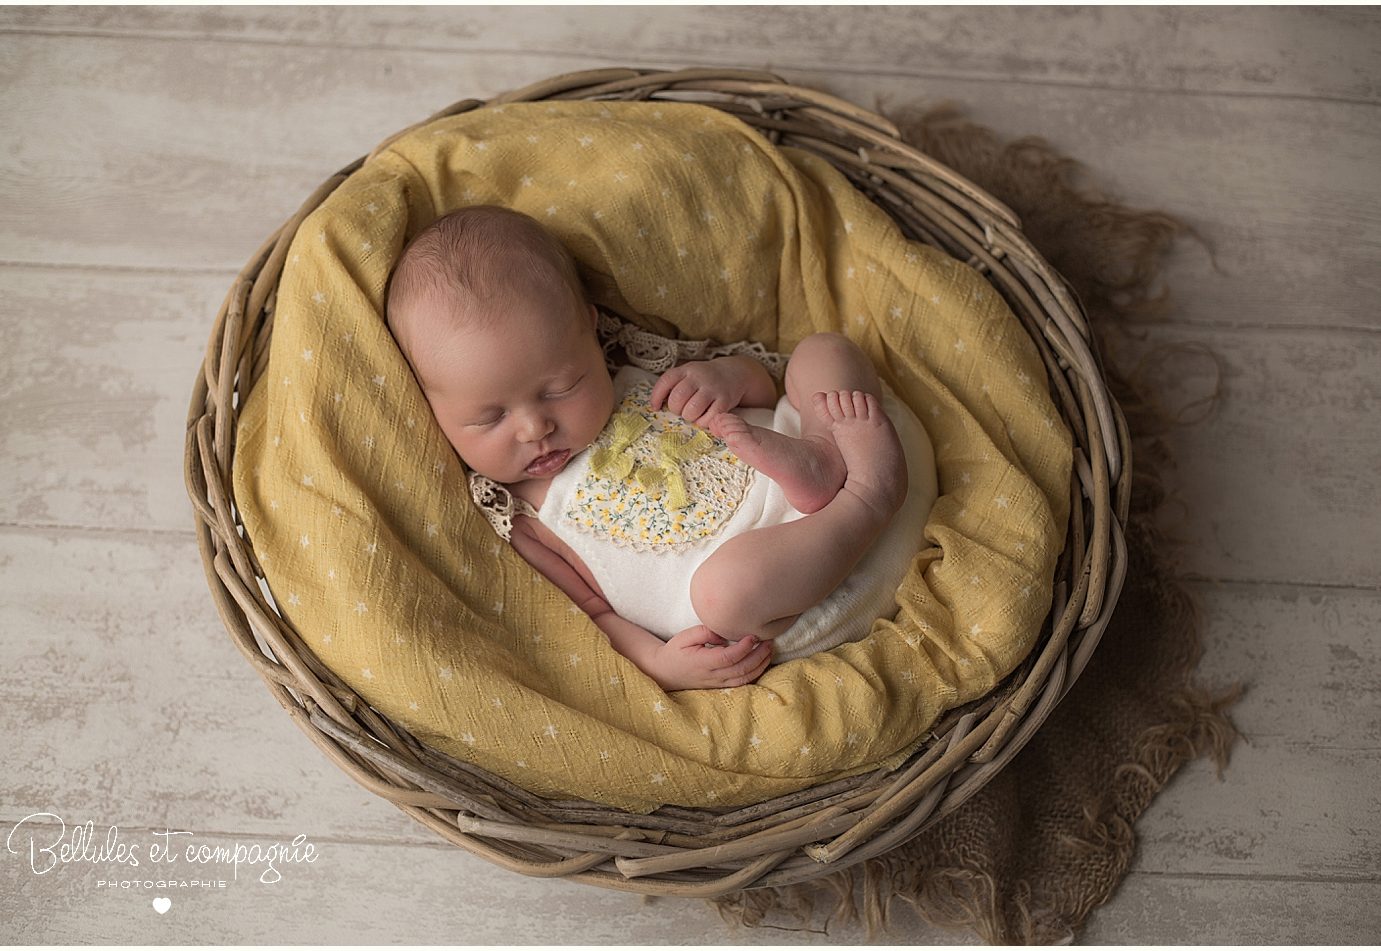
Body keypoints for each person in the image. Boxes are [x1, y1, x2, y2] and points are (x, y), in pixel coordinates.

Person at [386, 206, 911, 691]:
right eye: (490, 417)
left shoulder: (635, 369)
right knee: (725, 593)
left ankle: (823, 451)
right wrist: (660, 666)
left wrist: (727, 378)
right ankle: (867, 498)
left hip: (828, 447)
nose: (533, 427)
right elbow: (594, 616)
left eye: (559, 388)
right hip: (786, 587)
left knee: (823, 352)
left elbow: (764, 388)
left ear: (591, 332)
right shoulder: (517, 517)